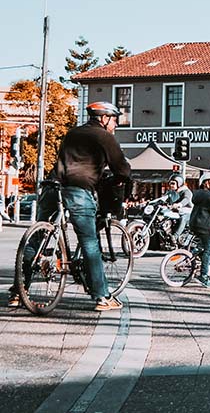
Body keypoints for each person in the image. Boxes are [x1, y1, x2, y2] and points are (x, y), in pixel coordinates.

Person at [8, 101, 132, 311]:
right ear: (104, 119)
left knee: (36, 240)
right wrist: (121, 178)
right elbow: (121, 168)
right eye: (114, 120)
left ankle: (19, 292)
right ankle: (102, 296)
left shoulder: (72, 133)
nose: (116, 125)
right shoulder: (104, 137)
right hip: (78, 189)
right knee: (89, 243)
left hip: (52, 186)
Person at [163, 174, 193, 240]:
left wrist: (179, 204)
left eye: (173, 183)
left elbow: (186, 199)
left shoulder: (186, 191)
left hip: (188, 211)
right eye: (170, 183)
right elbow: (164, 198)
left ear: (179, 183)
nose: (171, 185)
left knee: (183, 218)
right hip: (176, 211)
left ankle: (175, 236)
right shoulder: (171, 192)